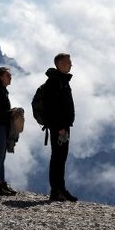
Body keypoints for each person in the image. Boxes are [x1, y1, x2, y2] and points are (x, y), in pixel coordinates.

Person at [42, 52, 77, 202]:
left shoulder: (60, 80)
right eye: (69, 62)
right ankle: (57, 190)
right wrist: (61, 126)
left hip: (61, 126)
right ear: (61, 64)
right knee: (58, 158)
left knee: (59, 158)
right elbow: (54, 108)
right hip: (59, 128)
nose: (71, 65)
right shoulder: (56, 82)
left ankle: (58, 190)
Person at [0, 66, 21, 196]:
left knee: (1, 157)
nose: (10, 77)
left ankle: (1, 183)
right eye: (7, 75)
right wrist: (11, 112)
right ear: (0, 77)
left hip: (0, 127)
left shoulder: (1, 90)